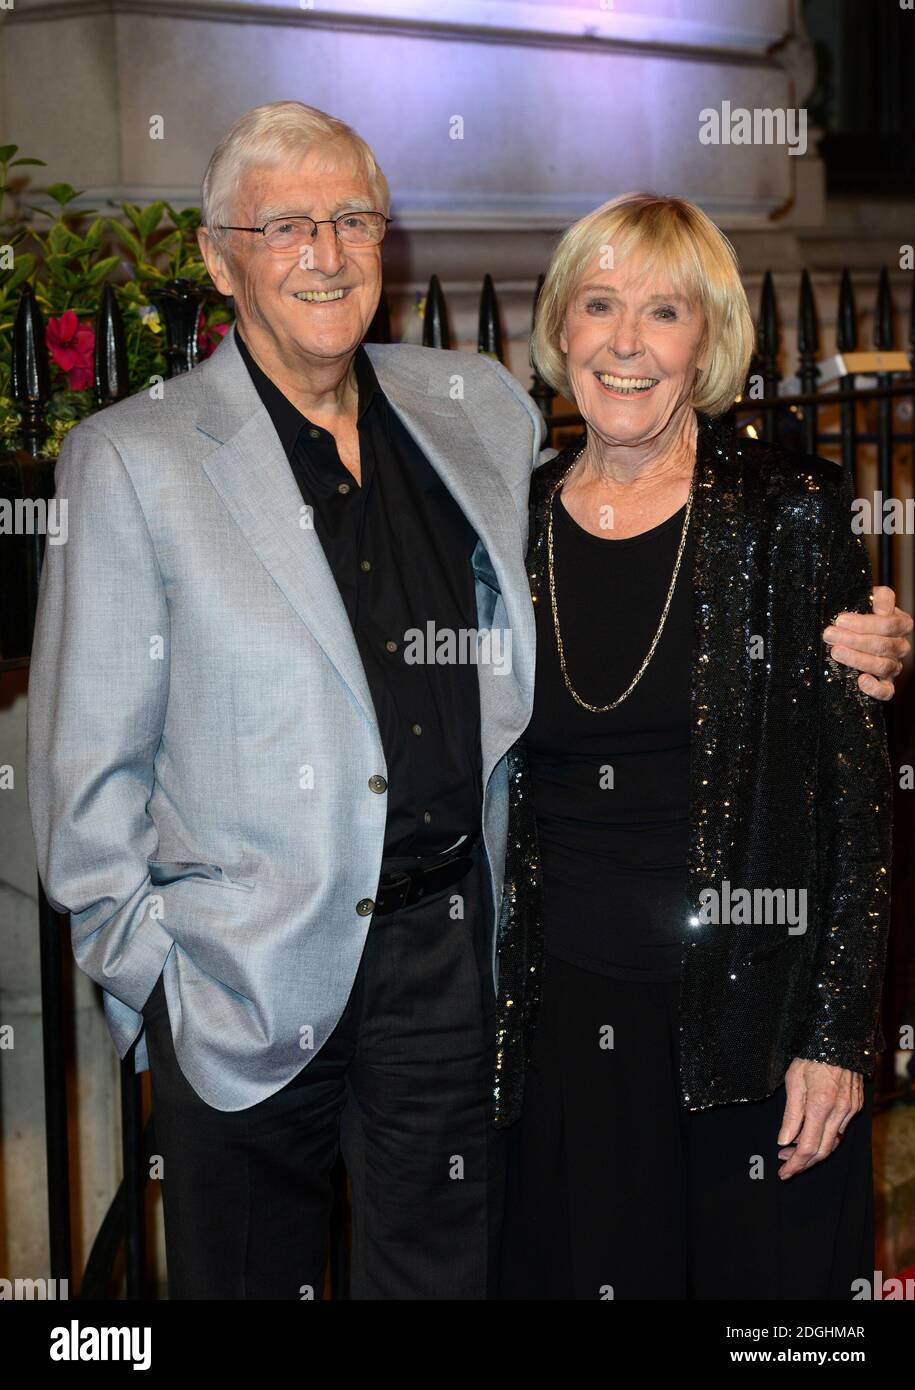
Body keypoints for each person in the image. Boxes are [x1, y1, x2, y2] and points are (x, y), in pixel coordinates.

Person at [25, 105, 908, 1299]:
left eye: (350, 219)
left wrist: (868, 649)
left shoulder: (477, 421)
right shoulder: (145, 459)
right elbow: (86, 779)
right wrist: (163, 986)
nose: (324, 252)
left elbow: (844, 790)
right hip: (272, 990)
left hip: (496, 985)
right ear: (218, 256)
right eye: (284, 225)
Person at [498, 191, 908, 1300]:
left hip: (756, 1024)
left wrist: (837, 1033)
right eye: (598, 304)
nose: (626, 341)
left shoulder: (790, 514)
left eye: (664, 311)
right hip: (563, 1028)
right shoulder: (506, 525)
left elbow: (858, 809)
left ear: (709, 342)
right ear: (560, 332)